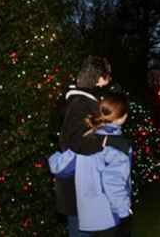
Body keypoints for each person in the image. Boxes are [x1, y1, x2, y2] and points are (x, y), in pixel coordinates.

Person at [50, 93, 132, 237]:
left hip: (87, 214)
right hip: (109, 215)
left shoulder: (85, 139)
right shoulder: (118, 145)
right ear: (122, 117)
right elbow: (114, 182)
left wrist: (55, 155)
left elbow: (60, 167)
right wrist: (124, 212)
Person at [55, 56, 117, 237]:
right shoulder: (80, 104)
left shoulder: (83, 100)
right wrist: (106, 142)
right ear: (98, 76)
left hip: (83, 185)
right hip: (78, 187)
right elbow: (75, 142)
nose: (109, 79)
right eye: (107, 75)